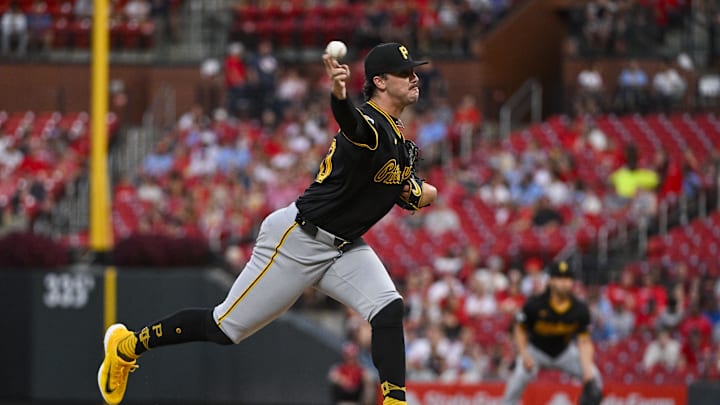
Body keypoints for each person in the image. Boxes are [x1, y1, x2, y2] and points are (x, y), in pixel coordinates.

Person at [97, 42, 438, 405]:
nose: (415, 77)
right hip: (298, 239)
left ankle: (396, 402)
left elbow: (420, 193)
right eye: (405, 72)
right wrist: (339, 93)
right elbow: (350, 121)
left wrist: (416, 189)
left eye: (414, 70)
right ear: (380, 82)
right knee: (224, 327)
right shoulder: (370, 125)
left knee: (388, 307)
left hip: (343, 245)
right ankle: (128, 345)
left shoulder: (402, 143)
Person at [501, 261, 603, 405]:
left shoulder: (579, 308)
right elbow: (520, 329)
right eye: (559, 278)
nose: (564, 283)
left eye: (567, 278)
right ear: (550, 280)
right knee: (516, 381)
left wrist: (587, 372)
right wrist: (523, 354)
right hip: (536, 351)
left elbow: (584, 342)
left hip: (564, 351)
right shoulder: (535, 304)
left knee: (595, 378)